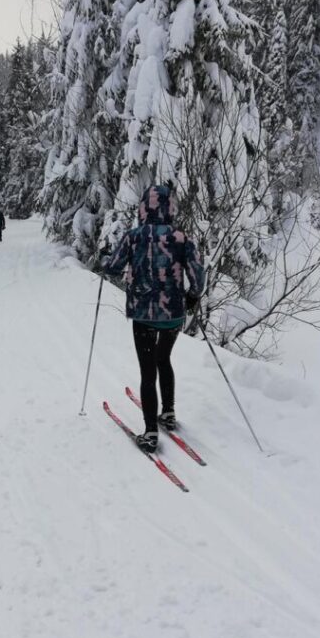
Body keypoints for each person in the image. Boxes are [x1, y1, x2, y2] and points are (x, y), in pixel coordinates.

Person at [104, 184, 204, 453]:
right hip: (173, 314)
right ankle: (168, 412)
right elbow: (197, 272)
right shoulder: (181, 238)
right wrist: (192, 296)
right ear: (170, 207)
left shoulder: (133, 237)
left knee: (147, 371)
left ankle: (150, 433)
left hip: (144, 314)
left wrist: (105, 260)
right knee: (164, 359)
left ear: (143, 208)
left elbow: (112, 267)